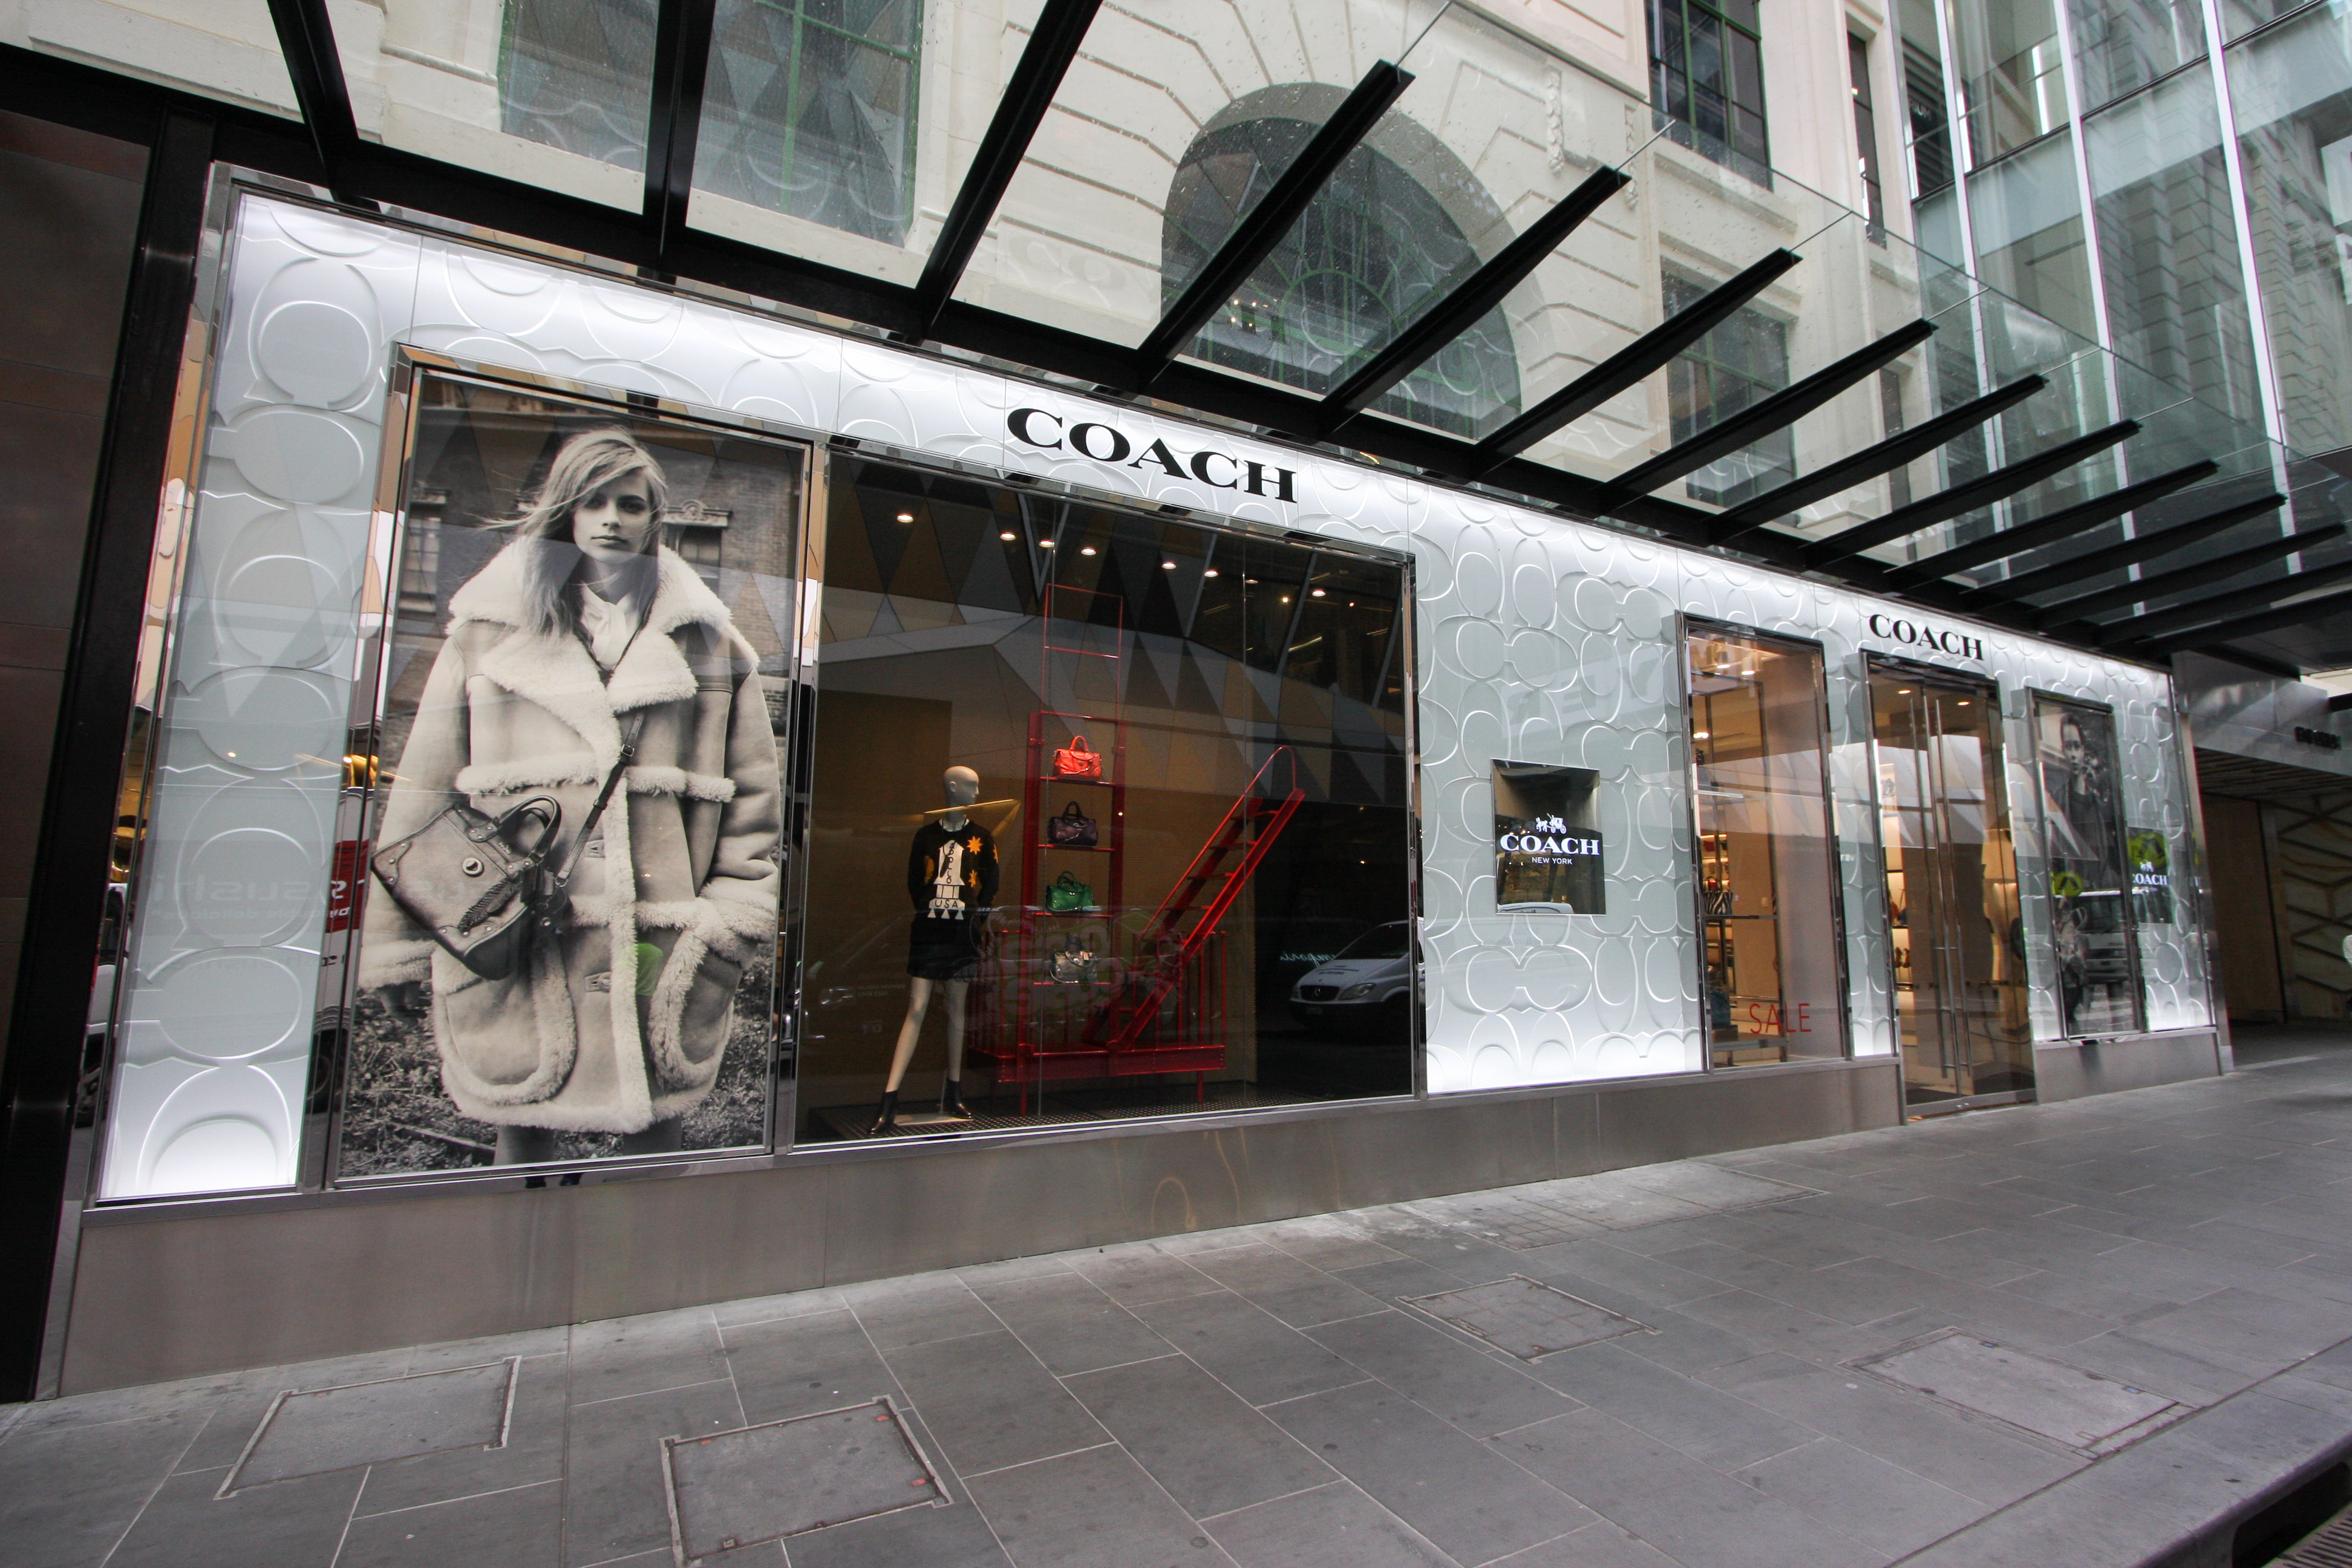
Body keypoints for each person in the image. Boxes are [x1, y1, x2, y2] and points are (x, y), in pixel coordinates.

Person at [359, 428, 782, 1165]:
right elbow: (423, 796)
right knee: (521, 1139)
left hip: (657, 943)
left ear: (655, 520)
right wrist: (396, 947)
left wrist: (725, 928)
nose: (612, 519)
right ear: (566, 512)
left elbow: (753, 809)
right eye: (594, 502)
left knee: (653, 1140)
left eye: (631, 504)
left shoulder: (712, 648)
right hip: (516, 933)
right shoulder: (486, 637)